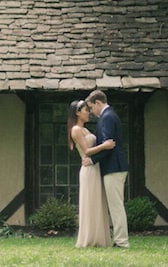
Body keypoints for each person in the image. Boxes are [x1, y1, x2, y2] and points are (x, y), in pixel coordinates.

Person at [84, 89, 129, 248]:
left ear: (98, 103)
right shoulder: (109, 116)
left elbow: (108, 145)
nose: (91, 111)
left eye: (91, 107)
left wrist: (92, 159)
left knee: (116, 205)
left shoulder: (107, 117)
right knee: (116, 205)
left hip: (114, 167)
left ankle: (122, 241)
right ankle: (119, 239)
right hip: (114, 166)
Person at [67, 99, 114, 247]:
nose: (88, 113)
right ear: (77, 113)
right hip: (88, 169)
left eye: (88, 110)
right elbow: (86, 151)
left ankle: (99, 237)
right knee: (90, 202)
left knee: (98, 202)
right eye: (85, 110)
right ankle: (88, 238)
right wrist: (104, 146)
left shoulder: (86, 129)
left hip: (95, 168)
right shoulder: (75, 130)